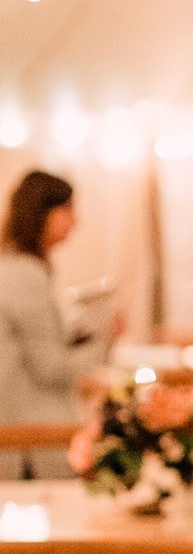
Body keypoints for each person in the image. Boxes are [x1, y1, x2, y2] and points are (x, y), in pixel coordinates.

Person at [0, 170, 111, 477]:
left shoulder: (17, 267)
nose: (75, 220)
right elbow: (50, 367)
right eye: (68, 209)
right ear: (41, 212)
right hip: (29, 436)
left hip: (23, 428)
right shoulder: (24, 274)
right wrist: (104, 344)